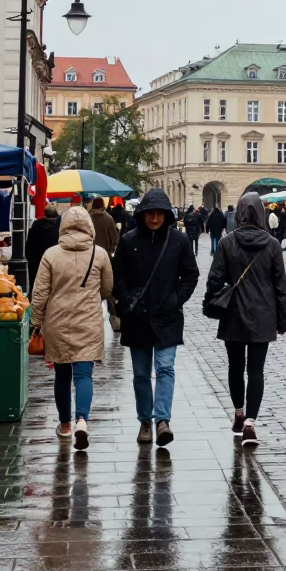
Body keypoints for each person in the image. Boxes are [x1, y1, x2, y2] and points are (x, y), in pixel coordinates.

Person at [112, 188, 200, 447]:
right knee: (141, 373)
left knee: (165, 368)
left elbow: (191, 275)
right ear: (141, 214)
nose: (154, 218)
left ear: (166, 215)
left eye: (159, 214)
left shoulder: (178, 241)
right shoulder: (128, 241)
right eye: (150, 213)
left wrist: (175, 299)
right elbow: (118, 277)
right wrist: (127, 299)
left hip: (167, 316)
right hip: (137, 318)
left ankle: (162, 420)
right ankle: (144, 421)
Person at [204, 190, 286, 446]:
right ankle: (251, 421)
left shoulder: (227, 243)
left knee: (235, 366)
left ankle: (239, 413)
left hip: (233, 314)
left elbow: (214, 280)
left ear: (239, 213)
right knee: (256, 370)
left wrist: (213, 300)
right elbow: (280, 286)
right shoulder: (272, 244)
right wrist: (282, 320)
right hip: (263, 313)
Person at [29, 207, 113, 450]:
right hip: (88, 321)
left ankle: (65, 425)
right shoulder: (100, 254)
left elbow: (40, 293)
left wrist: (36, 322)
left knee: (62, 375)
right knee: (84, 374)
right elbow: (107, 289)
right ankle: (82, 420)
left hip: (58, 322)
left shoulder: (51, 255)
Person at [26, 205, 61, 292]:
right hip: (50, 261)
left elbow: (28, 245)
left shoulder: (34, 227)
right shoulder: (56, 230)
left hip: (35, 261)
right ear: (54, 217)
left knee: (35, 285)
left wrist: (30, 258)